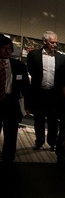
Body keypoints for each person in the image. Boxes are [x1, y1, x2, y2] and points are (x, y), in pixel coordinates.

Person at [26, 31, 65, 151]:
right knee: (38, 119)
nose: (55, 44)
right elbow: (32, 71)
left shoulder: (61, 58)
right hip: (39, 93)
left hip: (54, 95)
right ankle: (39, 141)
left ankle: (52, 142)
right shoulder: (33, 55)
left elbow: (62, 76)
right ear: (44, 42)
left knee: (53, 120)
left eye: (56, 42)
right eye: (52, 42)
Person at [0, 35, 30, 163]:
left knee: (11, 134)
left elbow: (26, 87)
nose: (6, 51)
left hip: (11, 103)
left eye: (9, 48)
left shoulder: (19, 66)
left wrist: (27, 106)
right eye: (3, 48)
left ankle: (8, 159)